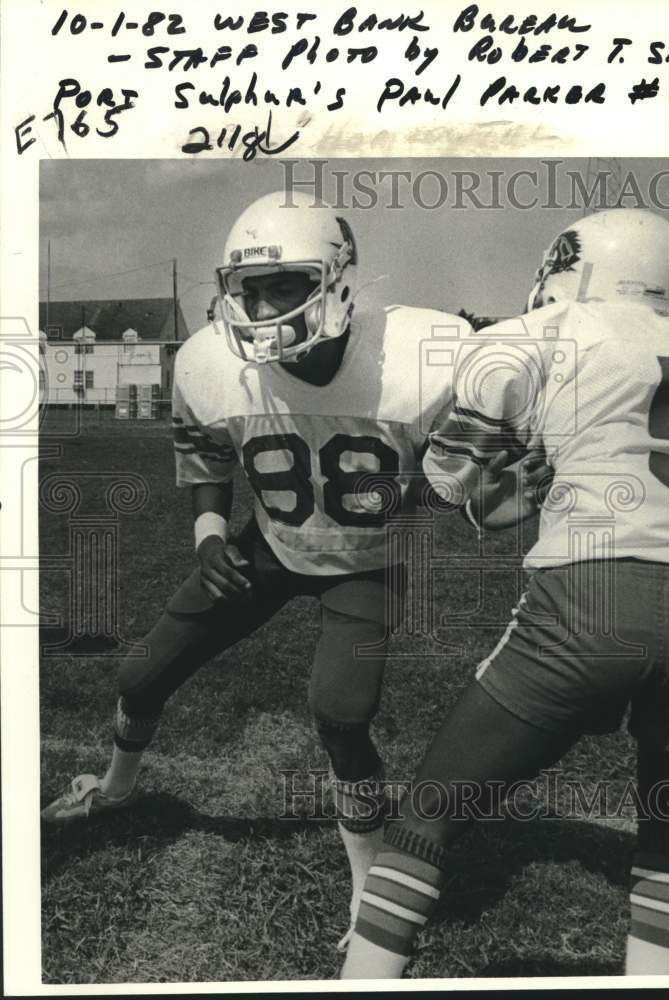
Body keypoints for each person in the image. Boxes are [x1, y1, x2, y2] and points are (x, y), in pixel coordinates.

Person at [42, 190, 484, 948]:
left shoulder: (423, 354)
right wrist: (210, 535)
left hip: (365, 561)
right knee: (139, 676)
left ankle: (367, 880)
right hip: (269, 546)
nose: (263, 305)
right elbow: (205, 453)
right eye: (251, 289)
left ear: (338, 281)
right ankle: (114, 790)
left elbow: (465, 473)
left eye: (285, 285)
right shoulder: (210, 360)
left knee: (342, 715)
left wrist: (447, 484)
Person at [341, 208, 669, 978]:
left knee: (426, 818)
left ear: (569, 268)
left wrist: (436, 487)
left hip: (595, 597)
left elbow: (448, 478)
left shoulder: (540, 335)